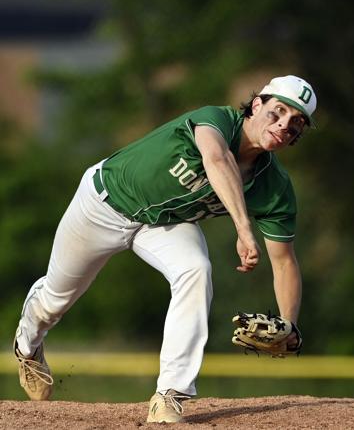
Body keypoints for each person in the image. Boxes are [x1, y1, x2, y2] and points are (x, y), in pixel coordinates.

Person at [14, 74, 316, 423]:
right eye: (278, 111)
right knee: (55, 300)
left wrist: (289, 326)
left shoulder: (274, 186)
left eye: (296, 124)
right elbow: (217, 160)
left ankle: (171, 393)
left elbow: (284, 262)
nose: (284, 125)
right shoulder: (215, 120)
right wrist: (243, 228)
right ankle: (28, 345)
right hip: (103, 203)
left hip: (164, 223)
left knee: (196, 270)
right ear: (257, 103)